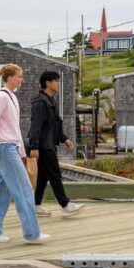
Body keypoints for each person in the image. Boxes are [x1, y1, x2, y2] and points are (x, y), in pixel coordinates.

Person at [0, 64, 49, 244]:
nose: (22, 79)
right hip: (4, 148)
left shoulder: (12, 97)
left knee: (2, 192)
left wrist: (21, 152)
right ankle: (32, 234)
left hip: (10, 148)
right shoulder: (1, 97)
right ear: (10, 77)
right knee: (24, 189)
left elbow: (15, 129)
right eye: (19, 76)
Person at [28, 71, 84, 217]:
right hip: (43, 146)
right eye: (56, 81)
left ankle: (35, 205)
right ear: (48, 83)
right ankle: (65, 205)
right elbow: (36, 126)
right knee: (55, 174)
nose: (59, 83)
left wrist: (64, 138)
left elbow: (55, 125)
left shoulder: (51, 100)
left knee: (43, 177)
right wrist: (34, 146)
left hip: (48, 144)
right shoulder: (40, 102)